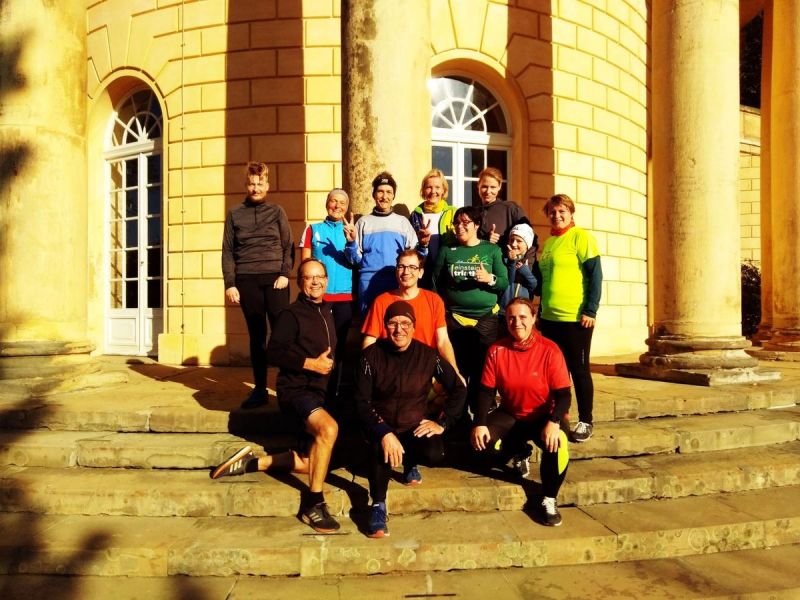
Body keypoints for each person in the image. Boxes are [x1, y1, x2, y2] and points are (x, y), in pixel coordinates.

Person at [211, 258, 341, 534]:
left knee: (312, 464)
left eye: (320, 276)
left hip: (319, 394)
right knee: (329, 429)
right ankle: (313, 504)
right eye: (309, 277)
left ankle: (251, 463)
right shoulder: (290, 314)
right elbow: (275, 352)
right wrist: (311, 364)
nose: (315, 281)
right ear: (299, 282)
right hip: (296, 391)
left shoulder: (328, 311)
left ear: (327, 281)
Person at [355, 301, 466, 538]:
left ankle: (410, 462)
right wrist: (383, 432)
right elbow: (360, 402)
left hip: (412, 424)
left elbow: (458, 387)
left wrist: (443, 423)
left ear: (414, 327)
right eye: (393, 323)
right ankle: (378, 505)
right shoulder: (370, 356)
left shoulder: (427, 355)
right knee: (380, 451)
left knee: (434, 453)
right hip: (379, 425)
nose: (399, 329)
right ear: (385, 327)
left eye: (405, 323)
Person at [471, 298, 572, 527]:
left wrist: (555, 421)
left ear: (534, 318)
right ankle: (521, 450)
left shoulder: (550, 349)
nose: (517, 322)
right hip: (511, 413)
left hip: (544, 415)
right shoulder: (497, 350)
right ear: (505, 321)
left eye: (523, 317)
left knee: (559, 444)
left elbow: (564, 395)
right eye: (511, 318)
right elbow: (485, 392)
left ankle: (549, 498)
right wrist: (479, 422)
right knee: (481, 444)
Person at [222, 161, 293, 409]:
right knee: (257, 337)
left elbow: (287, 245)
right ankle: (260, 389)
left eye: (260, 183)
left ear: (267, 185)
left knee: (283, 336)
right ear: (246, 185)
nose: (255, 188)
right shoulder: (234, 214)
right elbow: (228, 251)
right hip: (247, 280)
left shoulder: (277, 211)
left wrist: (285, 273)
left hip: (276, 280)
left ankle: (286, 389)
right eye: (251, 184)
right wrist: (230, 283)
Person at [537, 193, 602, 443]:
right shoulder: (550, 243)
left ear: (571, 213)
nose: (557, 216)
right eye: (552, 212)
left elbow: (595, 276)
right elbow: (546, 283)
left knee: (579, 370)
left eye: (562, 211)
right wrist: (541, 312)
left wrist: (591, 310)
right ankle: (559, 415)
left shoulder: (581, 237)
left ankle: (586, 419)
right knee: (556, 372)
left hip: (576, 319)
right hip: (550, 319)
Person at [432, 205, 508, 417]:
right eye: (457, 223)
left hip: (485, 320)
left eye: (465, 223)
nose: (460, 227)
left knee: (483, 367)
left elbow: (503, 282)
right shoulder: (447, 250)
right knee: (458, 367)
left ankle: (481, 412)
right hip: (455, 319)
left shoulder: (491, 250)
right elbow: (435, 283)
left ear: (476, 225)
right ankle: (459, 413)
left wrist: (489, 279)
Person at [361, 249, 459, 376]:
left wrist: (454, 371)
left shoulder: (434, 300)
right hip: (391, 372)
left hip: (425, 371)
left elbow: (443, 341)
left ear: (421, 273)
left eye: (412, 267)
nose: (406, 272)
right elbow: (369, 342)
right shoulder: (381, 301)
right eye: (401, 267)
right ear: (396, 271)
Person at [299, 188, 354, 401]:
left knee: (337, 349)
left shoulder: (351, 231)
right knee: (316, 346)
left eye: (342, 203)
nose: (337, 206)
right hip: (318, 300)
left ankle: (332, 395)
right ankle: (314, 393)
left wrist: (351, 241)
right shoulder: (313, 229)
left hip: (344, 300)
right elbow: (304, 266)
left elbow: (356, 261)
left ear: (347, 207)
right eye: (333, 201)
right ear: (326, 203)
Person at [344, 171, 425, 314]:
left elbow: (415, 257)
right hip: (368, 283)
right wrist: (351, 243)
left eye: (389, 192)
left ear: (393, 195)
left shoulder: (402, 222)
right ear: (374, 194)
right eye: (380, 191)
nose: (384, 196)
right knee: (369, 326)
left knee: (396, 325)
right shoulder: (363, 222)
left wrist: (423, 245)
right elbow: (355, 260)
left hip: (396, 281)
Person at [409, 168, 456, 288]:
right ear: (423, 190)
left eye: (437, 187)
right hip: (422, 271)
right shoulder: (415, 215)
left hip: (447, 271)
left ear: (444, 190)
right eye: (429, 187)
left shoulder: (453, 213)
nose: (433, 191)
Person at [475, 167, 532, 252]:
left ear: (499, 186)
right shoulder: (473, 213)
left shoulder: (510, 209)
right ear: (478, 185)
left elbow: (530, 238)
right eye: (484, 186)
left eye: (493, 187)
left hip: (506, 263)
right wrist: (484, 239)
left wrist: (524, 262)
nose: (488, 191)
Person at [499, 223, 539, 337]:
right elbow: (508, 282)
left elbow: (535, 287)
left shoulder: (532, 264)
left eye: (519, 241)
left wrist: (525, 271)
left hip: (523, 313)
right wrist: (512, 262)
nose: (514, 244)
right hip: (503, 313)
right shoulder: (503, 261)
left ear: (527, 245)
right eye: (511, 240)